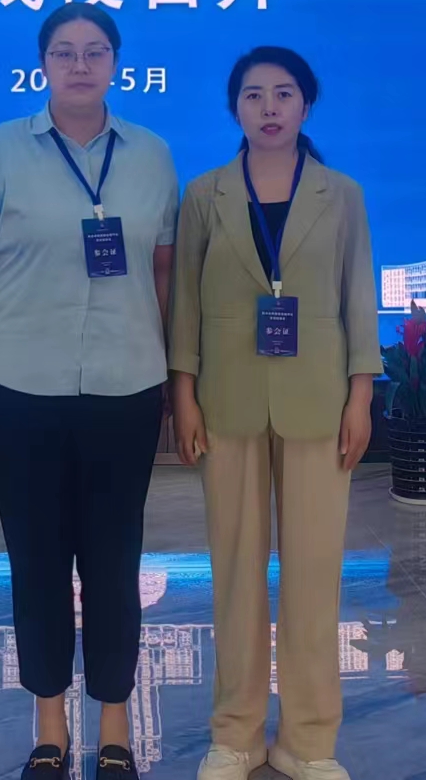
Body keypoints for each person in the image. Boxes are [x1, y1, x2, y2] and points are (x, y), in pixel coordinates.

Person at [0, 2, 179, 780]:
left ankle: (114, 724)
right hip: (20, 388)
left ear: (116, 63)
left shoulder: (151, 155)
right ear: (41, 63)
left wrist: (175, 373)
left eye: (95, 50)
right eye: (65, 51)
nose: (80, 64)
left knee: (114, 560)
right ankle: (49, 726)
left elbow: (164, 269)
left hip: (125, 384)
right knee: (37, 560)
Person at [169, 47, 380, 780]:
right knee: (234, 572)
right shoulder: (204, 195)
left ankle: (309, 740)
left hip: (319, 401)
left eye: (283, 93)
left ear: (305, 105)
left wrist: (361, 394)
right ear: (234, 107)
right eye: (253, 94)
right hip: (226, 402)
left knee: (314, 574)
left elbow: (358, 297)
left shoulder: (341, 194)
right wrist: (182, 394)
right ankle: (235, 734)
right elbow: (184, 303)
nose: (268, 107)